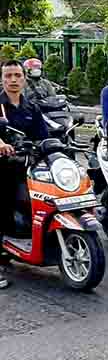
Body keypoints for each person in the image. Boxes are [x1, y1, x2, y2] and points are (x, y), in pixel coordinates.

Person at [0, 60, 50, 290]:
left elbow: (43, 134)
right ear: (2, 79)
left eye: (17, 75)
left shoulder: (31, 106)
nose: (13, 80)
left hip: (25, 165)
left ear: (24, 78)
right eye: (8, 75)